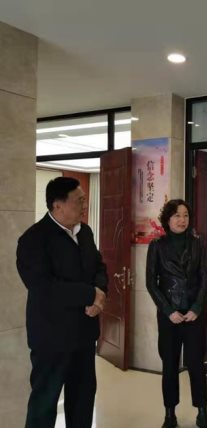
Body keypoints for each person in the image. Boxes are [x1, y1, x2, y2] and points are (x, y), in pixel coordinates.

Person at [16, 176, 108, 428]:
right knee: (44, 404)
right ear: (58, 205)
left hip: (84, 334)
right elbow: (43, 287)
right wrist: (89, 295)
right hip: (51, 338)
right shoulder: (33, 239)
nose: (84, 205)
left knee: (82, 400)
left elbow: (99, 267)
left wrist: (100, 293)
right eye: (79, 201)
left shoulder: (85, 232)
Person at [146, 199, 207, 428]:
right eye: (177, 215)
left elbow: (204, 277)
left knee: (196, 365)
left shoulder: (198, 244)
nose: (182, 220)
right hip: (169, 316)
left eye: (185, 215)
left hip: (194, 314)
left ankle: (202, 412)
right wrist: (168, 310)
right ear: (167, 219)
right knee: (170, 366)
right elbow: (151, 283)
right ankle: (169, 414)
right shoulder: (157, 245)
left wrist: (196, 307)